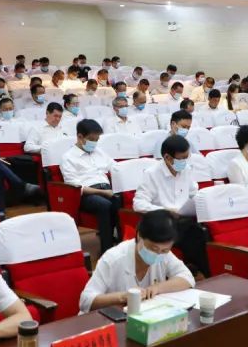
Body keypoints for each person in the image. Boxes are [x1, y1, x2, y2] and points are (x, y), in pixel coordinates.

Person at [79, 210, 195, 313]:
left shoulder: (164, 254)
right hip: (107, 321)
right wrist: (122, 297)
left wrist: (157, 288)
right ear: (139, 235)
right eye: (153, 248)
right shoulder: (113, 258)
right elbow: (86, 301)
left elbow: (187, 278)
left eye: (164, 250)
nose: (158, 254)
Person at [131, 136, 207, 274]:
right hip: (163, 223)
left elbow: (193, 193)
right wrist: (165, 210)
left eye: (186, 157)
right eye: (181, 158)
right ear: (167, 157)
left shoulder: (187, 170)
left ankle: (201, 273)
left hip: (184, 220)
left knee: (204, 232)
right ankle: (190, 272)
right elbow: (138, 204)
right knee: (196, 235)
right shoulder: (151, 174)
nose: (184, 162)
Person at [62, 119, 118, 253]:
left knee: (120, 201)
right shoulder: (68, 157)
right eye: (92, 139)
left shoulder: (99, 152)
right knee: (104, 204)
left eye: (97, 139)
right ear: (80, 136)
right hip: (87, 195)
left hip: (106, 188)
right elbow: (75, 187)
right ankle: (107, 249)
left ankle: (121, 240)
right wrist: (104, 193)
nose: (95, 143)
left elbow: (116, 167)